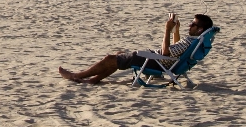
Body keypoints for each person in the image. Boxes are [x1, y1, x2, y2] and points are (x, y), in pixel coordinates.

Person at [59, 13, 214, 84]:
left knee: (111, 59)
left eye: (193, 24)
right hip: (163, 61)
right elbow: (176, 49)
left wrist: (167, 30)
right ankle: (94, 80)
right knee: (119, 55)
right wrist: (176, 30)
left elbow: (166, 52)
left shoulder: (190, 42)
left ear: (200, 29)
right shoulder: (194, 41)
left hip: (158, 62)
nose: (190, 25)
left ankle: (77, 75)